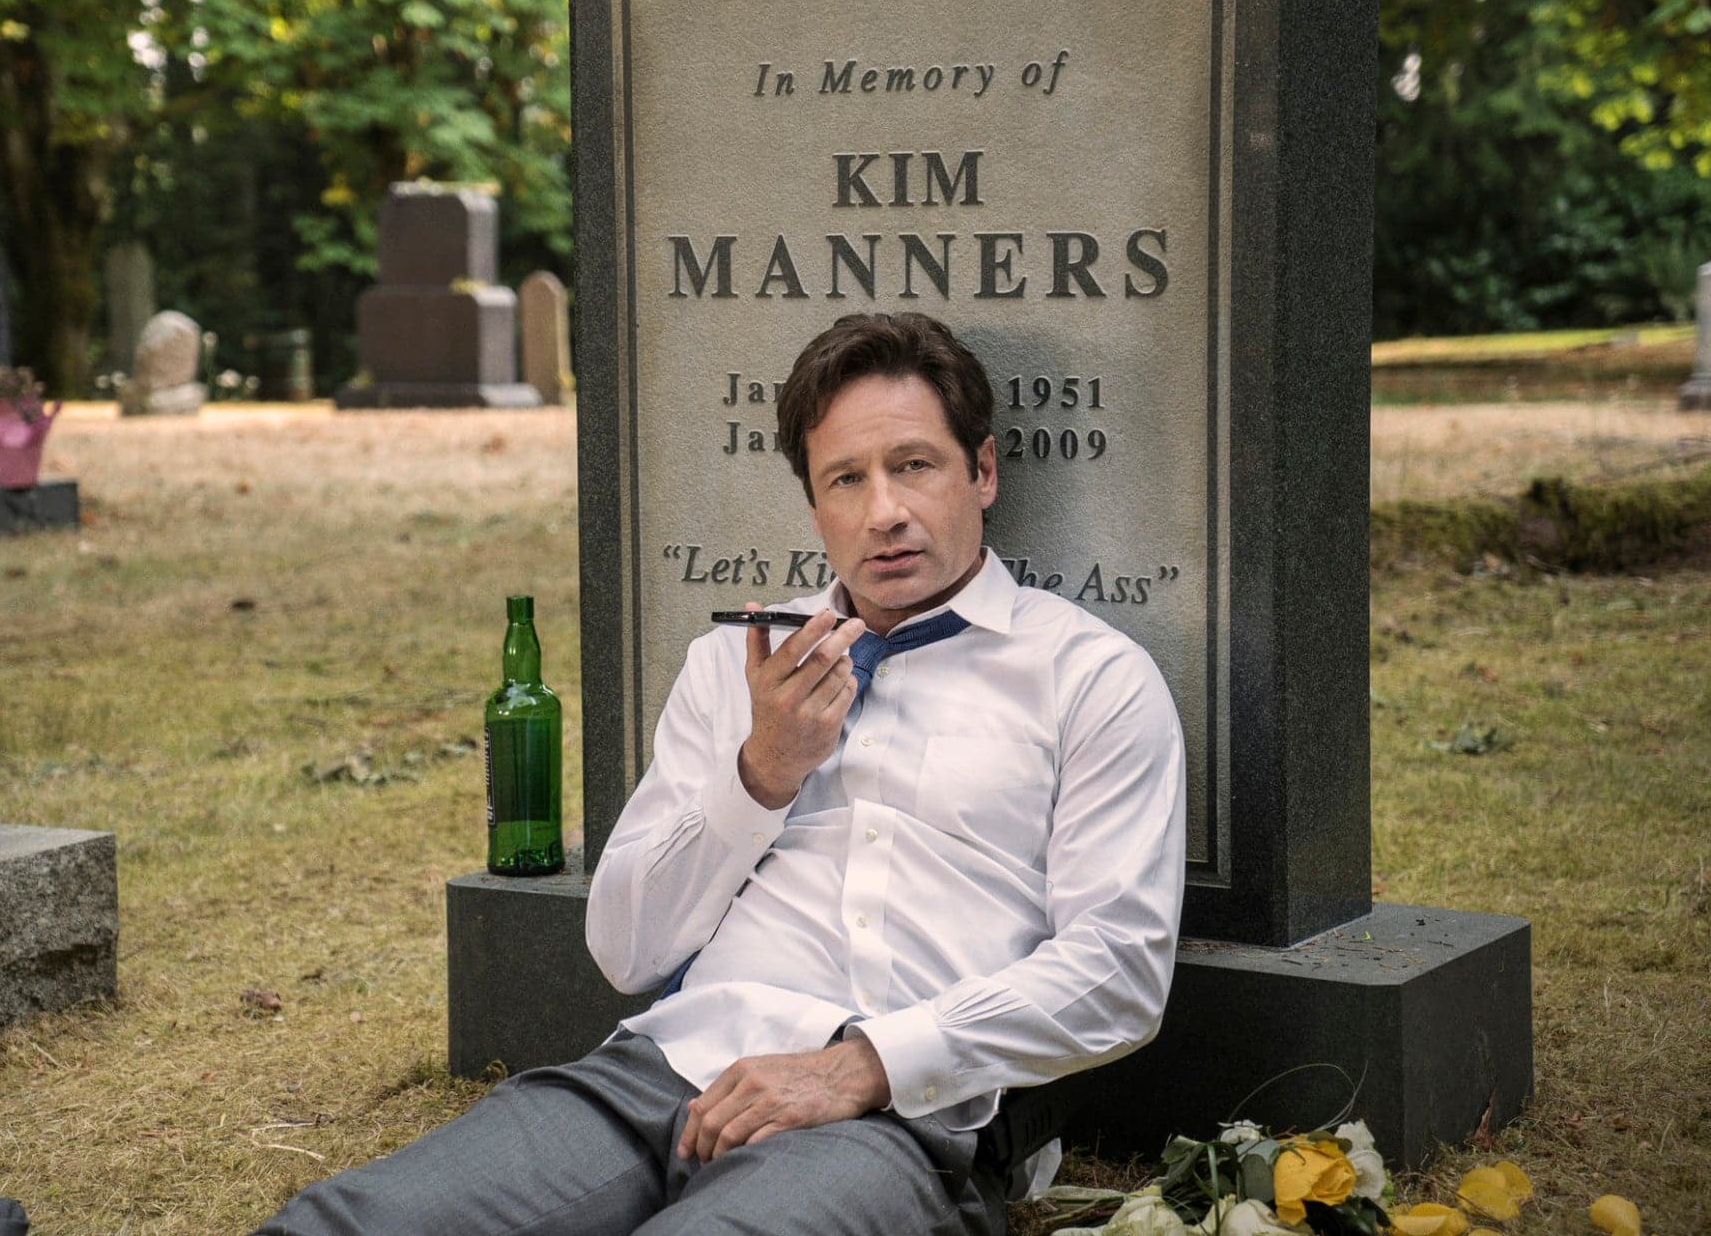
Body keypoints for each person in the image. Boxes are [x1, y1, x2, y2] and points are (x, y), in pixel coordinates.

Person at [253, 312, 1186, 1236]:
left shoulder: (1092, 678)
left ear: (981, 471)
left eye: (913, 465)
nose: (883, 512)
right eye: (845, 480)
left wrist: (862, 1064)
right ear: (814, 508)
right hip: (662, 1074)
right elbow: (628, 947)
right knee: (344, 1222)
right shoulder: (730, 668)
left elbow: (1119, 970)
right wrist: (761, 772)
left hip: (891, 1119)